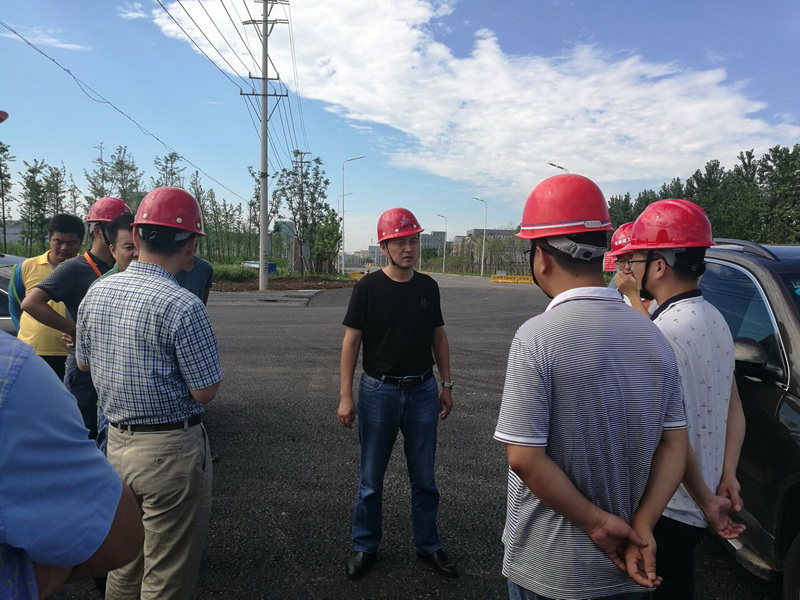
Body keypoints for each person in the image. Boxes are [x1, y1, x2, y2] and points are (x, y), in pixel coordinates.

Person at [493, 174, 689, 600]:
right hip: (630, 564)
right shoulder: (655, 337)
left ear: (541, 258)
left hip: (548, 568)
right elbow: (675, 445)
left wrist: (597, 523)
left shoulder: (536, 337)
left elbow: (524, 457)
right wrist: (643, 525)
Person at [76, 186, 221, 600]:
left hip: (116, 445)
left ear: (137, 236)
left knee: (125, 562)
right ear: (191, 244)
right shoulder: (184, 305)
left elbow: (83, 364)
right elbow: (205, 391)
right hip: (169, 452)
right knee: (166, 573)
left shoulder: (98, 291)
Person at [623, 199, 746, 599]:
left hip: (671, 506)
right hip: (702, 497)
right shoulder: (717, 319)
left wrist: (706, 500)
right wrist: (727, 475)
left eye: (637, 258)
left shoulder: (662, 333)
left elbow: (671, 437)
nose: (631, 267)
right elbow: (734, 410)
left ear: (659, 265)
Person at [337, 207, 456, 580]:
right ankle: (364, 545)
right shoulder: (368, 288)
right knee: (371, 480)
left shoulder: (428, 287)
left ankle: (428, 544)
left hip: (422, 391)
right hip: (379, 393)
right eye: (400, 242)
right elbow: (351, 343)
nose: (409, 249)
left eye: (413, 241)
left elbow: (438, 337)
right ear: (384, 246)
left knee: (424, 479)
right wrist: (345, 395)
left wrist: (446, 384)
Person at [0, 332, 143, 600]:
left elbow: (82, 362)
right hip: (47, 359)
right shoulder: (12, 366)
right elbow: (119, 541)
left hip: (99, 406)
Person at [21, 196, 131, 439]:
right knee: (81, 429)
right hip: (83, 366)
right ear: (98, 231)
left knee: (112, 433)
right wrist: (74, 329)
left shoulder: (125, 266)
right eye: (118, 227)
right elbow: (31, 303)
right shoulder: (74, 268)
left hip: (116, 364)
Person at [8, 213, 85, 380]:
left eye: (71, 243)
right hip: (33, 351)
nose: (64, 248)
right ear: (49, 239)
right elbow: (16, 306)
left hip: (73, 353)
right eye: (58, 241)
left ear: (81, 243)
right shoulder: (26, 267)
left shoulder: (86, 269)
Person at [608, 221, 658, 317]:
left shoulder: (659, 294)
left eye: (631, 259)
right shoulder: (615, 296)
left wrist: (633, 296)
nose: (627, 267)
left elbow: (655, 327)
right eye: (622, 261)